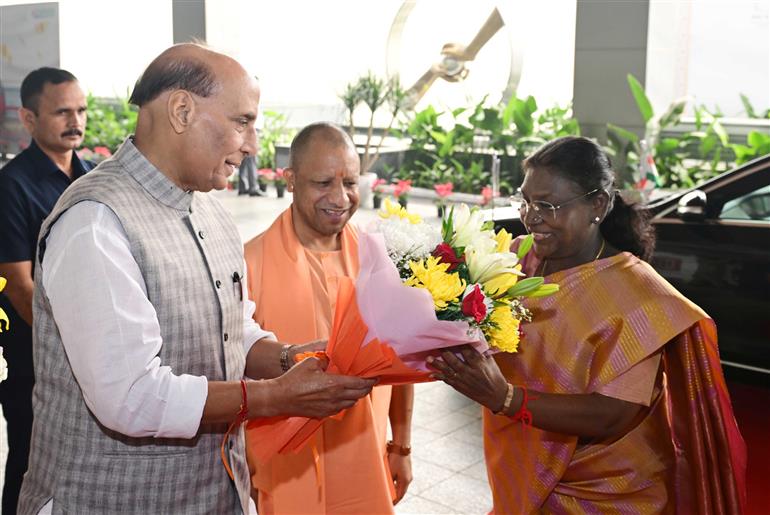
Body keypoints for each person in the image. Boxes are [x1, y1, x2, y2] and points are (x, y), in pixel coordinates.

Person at [17, 44, 376, 515]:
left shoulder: (207, 206)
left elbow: (232, 326)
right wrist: (272, 397)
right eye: (242, 122)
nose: (251, 145)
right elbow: (130, 396)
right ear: (182, 111)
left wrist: (287, 358)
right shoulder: (96, 220)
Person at [428, 136, 747, 513]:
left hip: (604, 491)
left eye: (547, 205)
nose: (532, 217)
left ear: (597, 204)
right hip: (520, 460)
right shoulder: (517, 260)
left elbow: (615, 415)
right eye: (526, 201)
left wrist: (506, 398)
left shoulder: (639, 296)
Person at [243, 122, 414, 514]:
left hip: (363, 451)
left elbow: (403, 365)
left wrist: (400, 445)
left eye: (350, 183)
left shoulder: (380, 260)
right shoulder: (249, 263)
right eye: (323, 183)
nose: (340, 198)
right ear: (290, 179)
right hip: (286, 465)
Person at [0, 67, 94, 515]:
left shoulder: (93, 177)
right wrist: (73, 347)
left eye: (80, 110)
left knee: (80, 472)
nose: (75, 121)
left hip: (94, 357)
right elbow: (19, 286)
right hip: (36, 362)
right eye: (61, 112)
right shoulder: (10, 187)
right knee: (28, 467)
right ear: (29, 118)